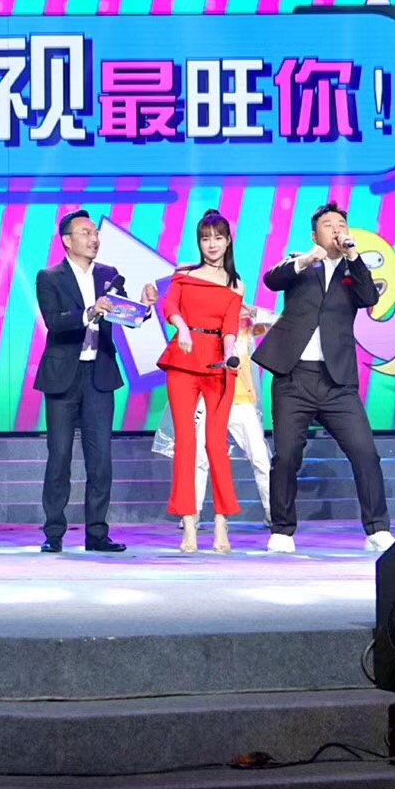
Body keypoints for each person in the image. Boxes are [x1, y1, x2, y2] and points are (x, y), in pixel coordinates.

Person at [253, 202, 393, 554]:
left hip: (337, 382)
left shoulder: (354, 270)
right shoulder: (300, 264)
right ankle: (283, 530)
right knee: (287, 455)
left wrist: (354, 257)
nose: (336, 229)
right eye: (328, 225)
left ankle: (377, 529)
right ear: (315, 236)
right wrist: (305, 260)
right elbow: (272, 280)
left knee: (365, 452)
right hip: (294, 377)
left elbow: (368, 297)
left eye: (341, 224)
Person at [34, 210, 156, 554]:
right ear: (67, 240)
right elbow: (55, 322)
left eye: (95, 234)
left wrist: (144, 307)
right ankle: (54, 533)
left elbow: (126, 317)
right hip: (63, 378)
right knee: (59, 457)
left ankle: (97, 534)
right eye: (86, 233)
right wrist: (90, 312)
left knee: (100, 460)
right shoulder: (49, 277)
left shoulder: (109, 275)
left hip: (99, 376)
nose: (94, 239)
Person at [156, 210, 247, 555]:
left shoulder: (235, 284)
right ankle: (189, 526)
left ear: (228, 241)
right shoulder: (185, 275)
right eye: (206, 238)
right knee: (186, 442)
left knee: (216, 444)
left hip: (218, 364)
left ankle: (222, 525)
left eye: (218, 238)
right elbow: (170, 306)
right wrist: (182, 329)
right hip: (183, 359)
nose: (212, 244)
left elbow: (230, 326)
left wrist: (230, 353)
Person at [153, 306, 275, 526]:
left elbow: (277, 323)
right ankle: (193, 512)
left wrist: (252, 311)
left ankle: (272, 510)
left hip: (241, 401)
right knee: (199, 456)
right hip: (209, 398)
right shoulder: (202, 322)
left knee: (260, 456)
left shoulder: (245, 324)